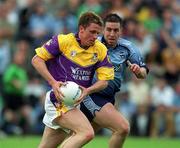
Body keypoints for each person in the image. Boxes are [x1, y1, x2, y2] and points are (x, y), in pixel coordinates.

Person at [31, 11, 114, 148]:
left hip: (74, 102)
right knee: (87, 133)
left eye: (97, 33)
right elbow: (36, 60)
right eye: (92, 32)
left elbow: (104, 81)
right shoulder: (63, 41)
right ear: (81, 29)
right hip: (58, 99)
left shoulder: (100, 50)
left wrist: (88, 90)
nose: (95, 37)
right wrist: (53, 82)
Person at [80, 13, 149, 148]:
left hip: (109, 98)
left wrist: (138, 71)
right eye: (109, 29)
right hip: (91, 95)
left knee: (82, 136)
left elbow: (144, 72)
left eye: (116, 30)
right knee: (122, 128)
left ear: (121, 31)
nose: (112, 33)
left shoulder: (128, 48)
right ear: (103, 30)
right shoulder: (93, 44)